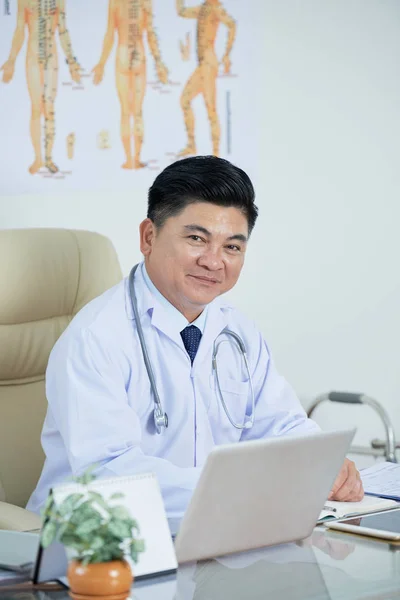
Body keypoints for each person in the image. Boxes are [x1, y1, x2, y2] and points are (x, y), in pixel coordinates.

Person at [27, 156, 364, 516]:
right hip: (96, 540)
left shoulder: (238, 331)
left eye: (232, 247)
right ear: (148, 236)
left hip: (213, 528)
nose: (214, 261)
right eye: (196, 239)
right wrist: (239, 490)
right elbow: (109, 473)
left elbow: (280, 424)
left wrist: (321, 462)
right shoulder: (96, 336)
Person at [1, 0, 81, 174]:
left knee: (49, 109)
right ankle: (38, 158)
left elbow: (63, 30)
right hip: (33, 58)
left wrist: (73, 62)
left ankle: (49, 158)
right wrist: (11, 60)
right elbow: (20, 30)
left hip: (51, 58)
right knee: (37, 108)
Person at [92, 0, 168, 170]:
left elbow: (110, 34)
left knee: (126, 112)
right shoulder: (145, 3)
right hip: (139, 55)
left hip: (123, 55)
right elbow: (150, 34)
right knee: (137, 111)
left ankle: (129, 160)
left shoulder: (115, 3)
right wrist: (159, 62)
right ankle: (137, 159)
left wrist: (101, 63)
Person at [176, 0, 236, 157]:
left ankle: (216, 154)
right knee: (185, 100)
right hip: (203, 64)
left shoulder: (216, 9)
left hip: (209, 64)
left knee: (211, 109)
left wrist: (227, 54)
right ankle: (192, 145)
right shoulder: (203, 8)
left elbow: (231, 25)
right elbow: (181, 12)